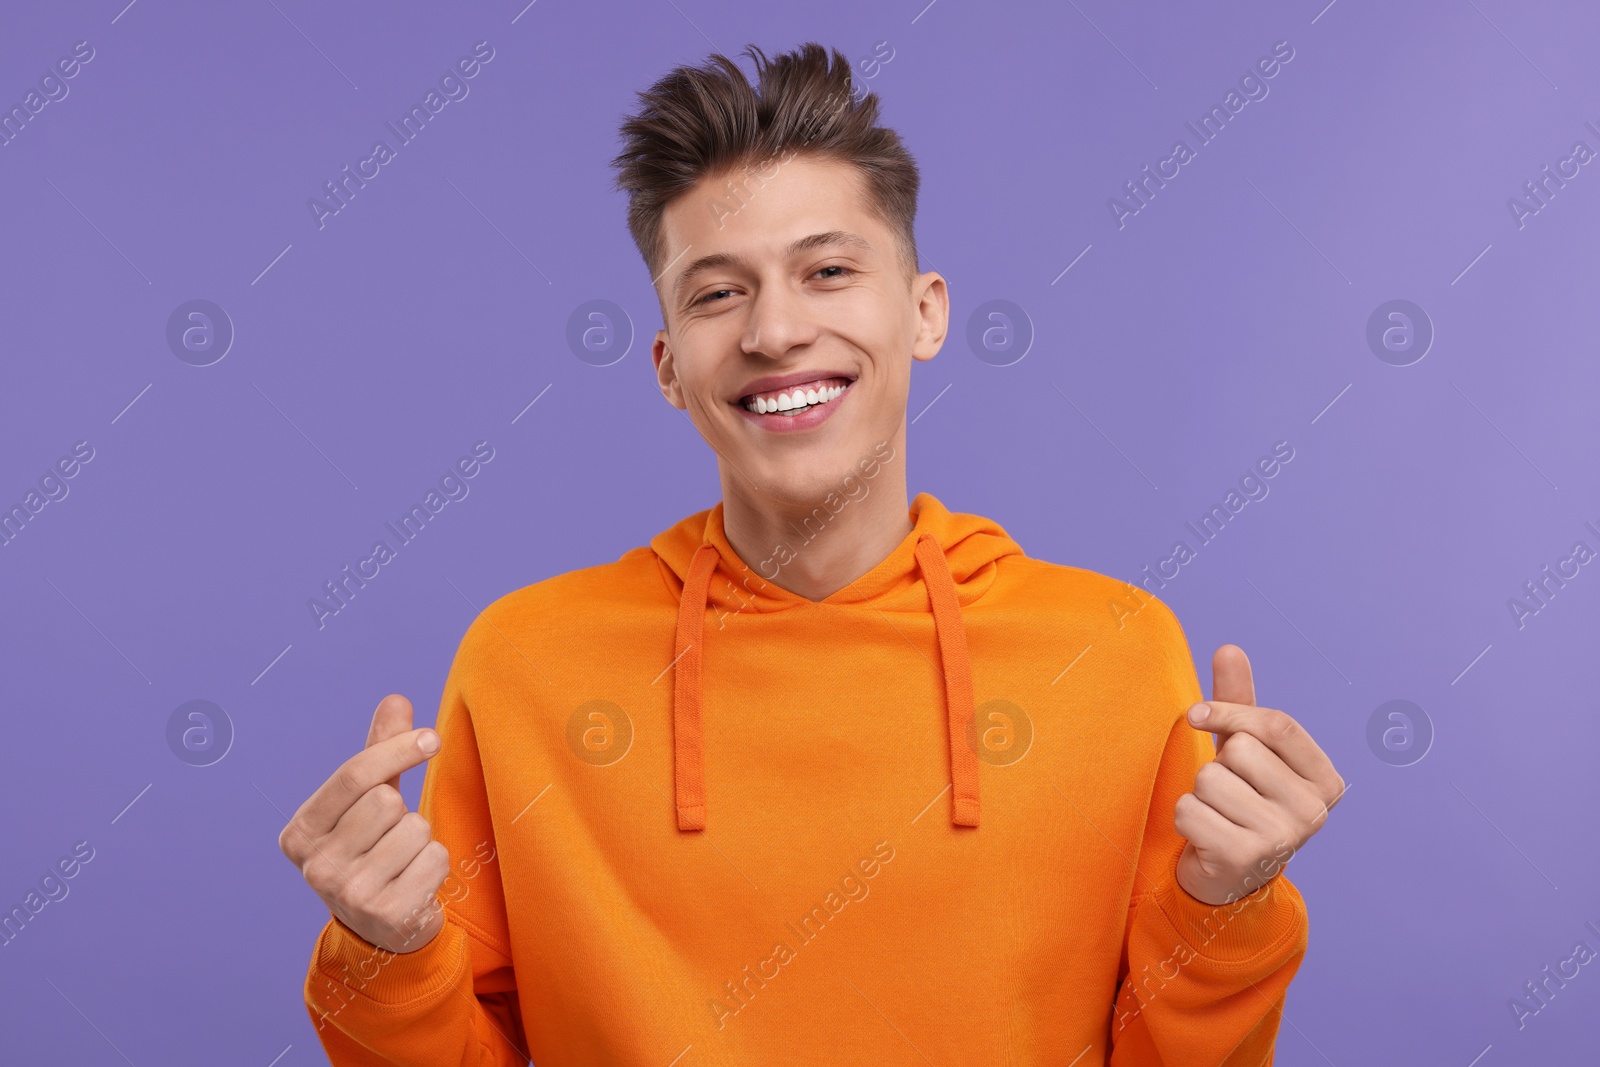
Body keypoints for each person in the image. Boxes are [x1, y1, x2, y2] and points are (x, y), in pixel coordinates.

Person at [278, 41, 1345, 1065]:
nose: (774, 329)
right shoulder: (524, 663)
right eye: (715, 291)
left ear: (923, 313)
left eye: (827, 269)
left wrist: (1224, 910)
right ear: (666, 364)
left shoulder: (1111, 651)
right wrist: (389, 954)